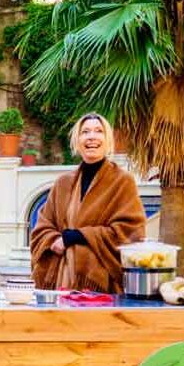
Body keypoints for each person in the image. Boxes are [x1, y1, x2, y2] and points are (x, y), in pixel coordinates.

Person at [30, 113, 146, 293]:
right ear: (77, 141)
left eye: (98, 131)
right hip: (59, 284)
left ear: (108, 141)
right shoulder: (62, 183)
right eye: (85, 132)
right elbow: (41, 230)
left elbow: (130, 233)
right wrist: (56, 241)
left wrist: (76, 236)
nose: (91, 136)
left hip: (102, 289)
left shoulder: (122, 182)